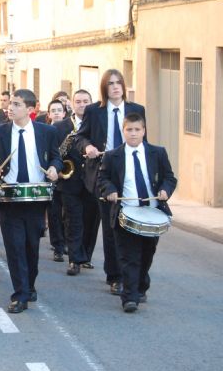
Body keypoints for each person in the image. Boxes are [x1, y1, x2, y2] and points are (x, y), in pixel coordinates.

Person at [0, 89, 62, 314]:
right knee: (14, 247)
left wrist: (55, 168)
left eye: (17, 104)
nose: (11, 107)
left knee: (31, 246)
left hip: (36, 197)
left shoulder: (46, 131)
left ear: (30, 109)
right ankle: (20, 294)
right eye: (11, 104)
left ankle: (29, 285)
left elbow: (56, 156)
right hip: (10, 197)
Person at [75, 68, 146, 295]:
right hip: (103, 174)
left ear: (124, 86)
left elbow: (144, 141)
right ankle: (115, 276)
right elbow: (80, 136)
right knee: (110, 226)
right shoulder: (95, 111)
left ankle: (134, 274)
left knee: (133, 226)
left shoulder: (136, 110)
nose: (115, 87)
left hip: (130, 175)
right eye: (110, 84)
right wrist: (87, 147)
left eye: (118, 83)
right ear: (105, 88)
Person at [98, 112, 177, 312]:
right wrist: (110, 190)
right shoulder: (112, 156)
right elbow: (102, 179)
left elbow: (169, 177)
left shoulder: (158, 153)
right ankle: (129, 297)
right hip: (126, 213)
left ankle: (140, 286)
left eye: (137, 130)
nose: (133, 134)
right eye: (129, 130)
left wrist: (165, 190)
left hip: (152, 213)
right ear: (123, 131)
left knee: (146, 255)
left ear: (144, 131)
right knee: (128, 257)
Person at [53, 89, 96, 275]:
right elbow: (55, 153)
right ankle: (74, 259)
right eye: (78, 101)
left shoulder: (97, 125)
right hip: (70, 180)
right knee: (73, 220)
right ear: (71, 103)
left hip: (93, 180)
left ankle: (85, 255)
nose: (82, 104)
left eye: (86, 101)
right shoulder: (61, 127)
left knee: (92, 220)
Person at [45, 99, 68, 262]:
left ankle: (66, 242)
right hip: (51, 176)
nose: (57, 113)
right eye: (53, 110)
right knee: (54, 214)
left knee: (67, 213)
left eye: (59, 110)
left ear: (64, 113)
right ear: (48, 114)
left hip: (66, 176)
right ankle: (58, 246)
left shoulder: (70, 130)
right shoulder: (45, 131)